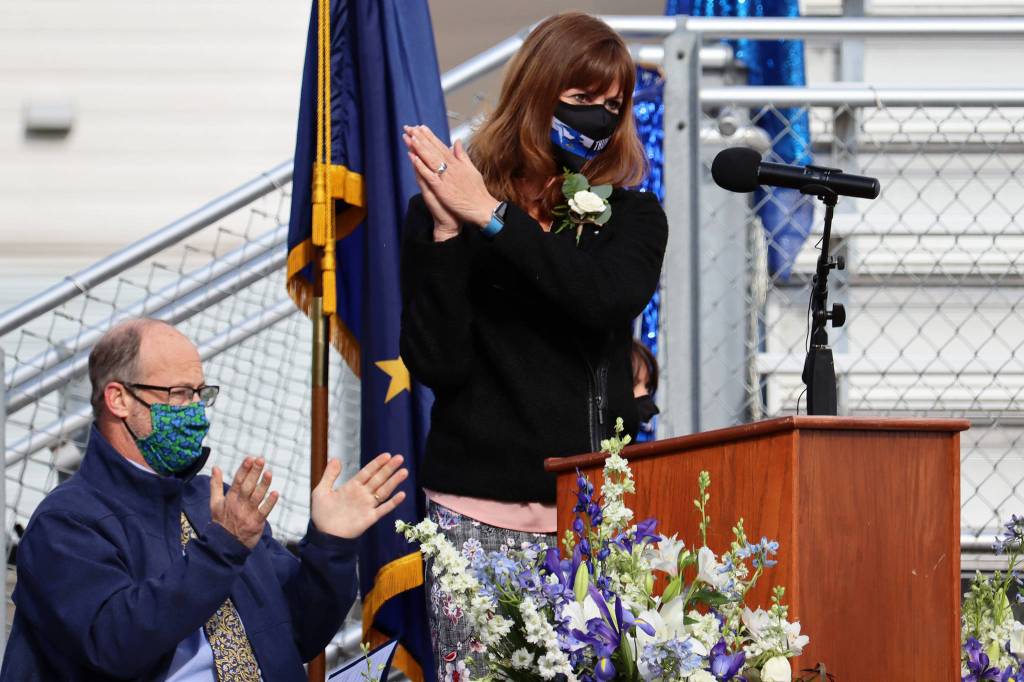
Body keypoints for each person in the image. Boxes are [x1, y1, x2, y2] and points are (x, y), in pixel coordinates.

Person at [398, 12, 668, 677]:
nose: (601, 118)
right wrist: (446, 236)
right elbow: (438, 362)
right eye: (583, 100)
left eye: (614, 105)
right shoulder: (447, 211)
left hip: (586, 516)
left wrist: (493, 220)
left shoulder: (632, 215)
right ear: (538, 91)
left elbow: (600, 298)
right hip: (472, 510)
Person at [0, 318, 408, 681]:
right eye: (178, 394)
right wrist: (221, 550)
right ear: (118, 399)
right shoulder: (67, 522)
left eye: (200, 393)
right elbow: (115, 648)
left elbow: (299, 633)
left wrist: (330, 544)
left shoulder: (210, 500)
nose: (195, 410)